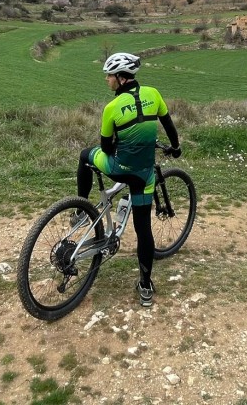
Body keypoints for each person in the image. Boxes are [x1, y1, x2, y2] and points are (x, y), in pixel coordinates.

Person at [76, 52, 181, 307]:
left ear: (121, 78)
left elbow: (106, 148)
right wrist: (175, 147)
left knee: (84, 156)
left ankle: (80, 208)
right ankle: (145, 286)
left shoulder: (111, 108)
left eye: (109, 75)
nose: (107, 80)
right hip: (144, 175)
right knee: (143, 228)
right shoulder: (154, 95)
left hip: (118, 168)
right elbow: (168, 125)